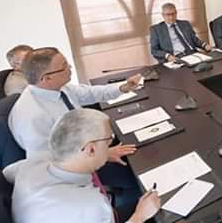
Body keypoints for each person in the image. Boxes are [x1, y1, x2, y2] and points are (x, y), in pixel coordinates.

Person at [4, 109, 181, 223]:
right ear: (90, 149)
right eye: (109, 140)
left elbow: (6, 174)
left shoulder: (30, 165)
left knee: (155, 212)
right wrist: (138, 218)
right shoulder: (87, 207)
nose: (110, 142)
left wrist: (105, 153)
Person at [8, 47, 141, 156]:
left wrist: (123, 88)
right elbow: (48, 161)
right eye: (64, 66)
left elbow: (91, 93)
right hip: (79, 163)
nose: (70, 67)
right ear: (47, 78)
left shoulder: (59, 88)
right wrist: (104, 155)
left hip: (90, 143)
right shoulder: (33, 117)